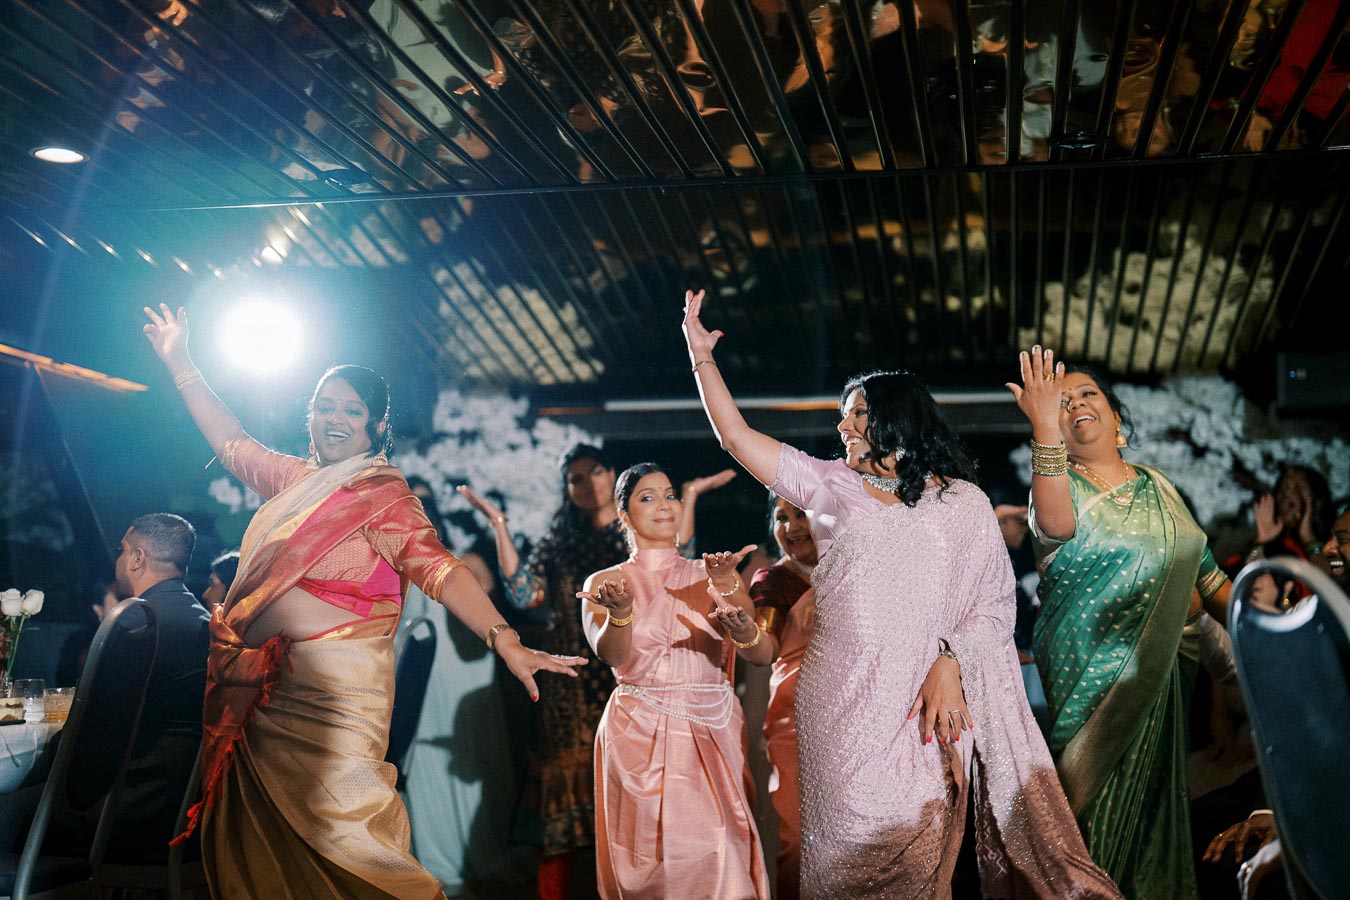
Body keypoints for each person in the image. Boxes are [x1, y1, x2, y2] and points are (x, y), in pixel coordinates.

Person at [682, 289, 1118, 897]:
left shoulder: (962, 502)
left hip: (923, 703)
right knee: (843, 860)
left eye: (859, 413)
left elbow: (994, 605)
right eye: (844, 415)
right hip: (839, 704)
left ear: (898, 417)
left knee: (918, 850)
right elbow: (734, 436)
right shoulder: (828, 485)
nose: (844, 425)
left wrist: (952, 662)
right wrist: (700, 356)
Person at [141, 304, 584, 898]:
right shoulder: (295, 481)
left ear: (376, 425)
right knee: (266, 841)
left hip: (339, 695)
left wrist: (505, 640)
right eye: (324, 405)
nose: (335, 418)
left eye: (352, 409)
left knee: (348, 837)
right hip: (269, 692)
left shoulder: (384, 498)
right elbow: (231, 443)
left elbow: (442, 570)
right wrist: (180, 361)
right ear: (310, 415)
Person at [1006, 347, 1233, 898]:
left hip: (1161, 688)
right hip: (1090, 692)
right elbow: (1056, 527)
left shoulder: (1161, 488)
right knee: (1089, 834)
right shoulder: (1058, 486)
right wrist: (1043, 426)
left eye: (1088, 394)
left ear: (1116, 417)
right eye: (1062, 402)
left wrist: (1288, 630)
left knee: (1155, 833)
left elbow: (1212, 584)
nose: (1076, 404)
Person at [458, 449, 732, 899]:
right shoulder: (558, 542)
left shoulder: (641, 536)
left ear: (614, 477)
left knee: (650, 809)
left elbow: (681, 562)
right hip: (572, 684)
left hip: (639, 683)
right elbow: (524, 595)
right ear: (567, 490)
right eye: (576, 479)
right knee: (566, 805)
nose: (588, 484)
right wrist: (499, 525)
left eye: (597, 472)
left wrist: (690, 496)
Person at [579, 462, 771, 899]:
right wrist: (621, 613)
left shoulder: (712, 574)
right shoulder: (606, 582)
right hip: (637, 733)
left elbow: (760, 653)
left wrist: (732, 600)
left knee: (719, 854)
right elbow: (612, 655)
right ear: (624, 514)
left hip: (711, 731)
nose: (664, 505)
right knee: (657, 869)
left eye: (669, 495)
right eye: (647, 498)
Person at [747, 493, 817, 900]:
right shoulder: (773, 581)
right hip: (796, 723)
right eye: (780, 517)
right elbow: (766, 646)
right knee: (799, 839)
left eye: (800, 514)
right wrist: (745, 633)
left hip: (860, 716)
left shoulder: (858, 569)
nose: (791, 527)